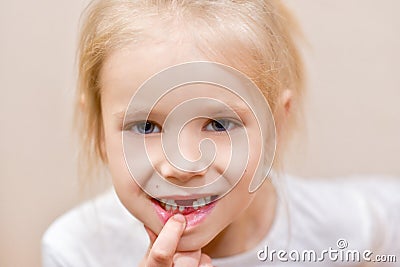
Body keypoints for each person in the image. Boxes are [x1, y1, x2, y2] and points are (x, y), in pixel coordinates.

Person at [42, 0, 400, 266]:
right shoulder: (76, 251)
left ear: (274, 126)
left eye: (218, 124)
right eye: (146, 126)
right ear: (98, 134)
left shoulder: (340, 228)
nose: (182, 165)